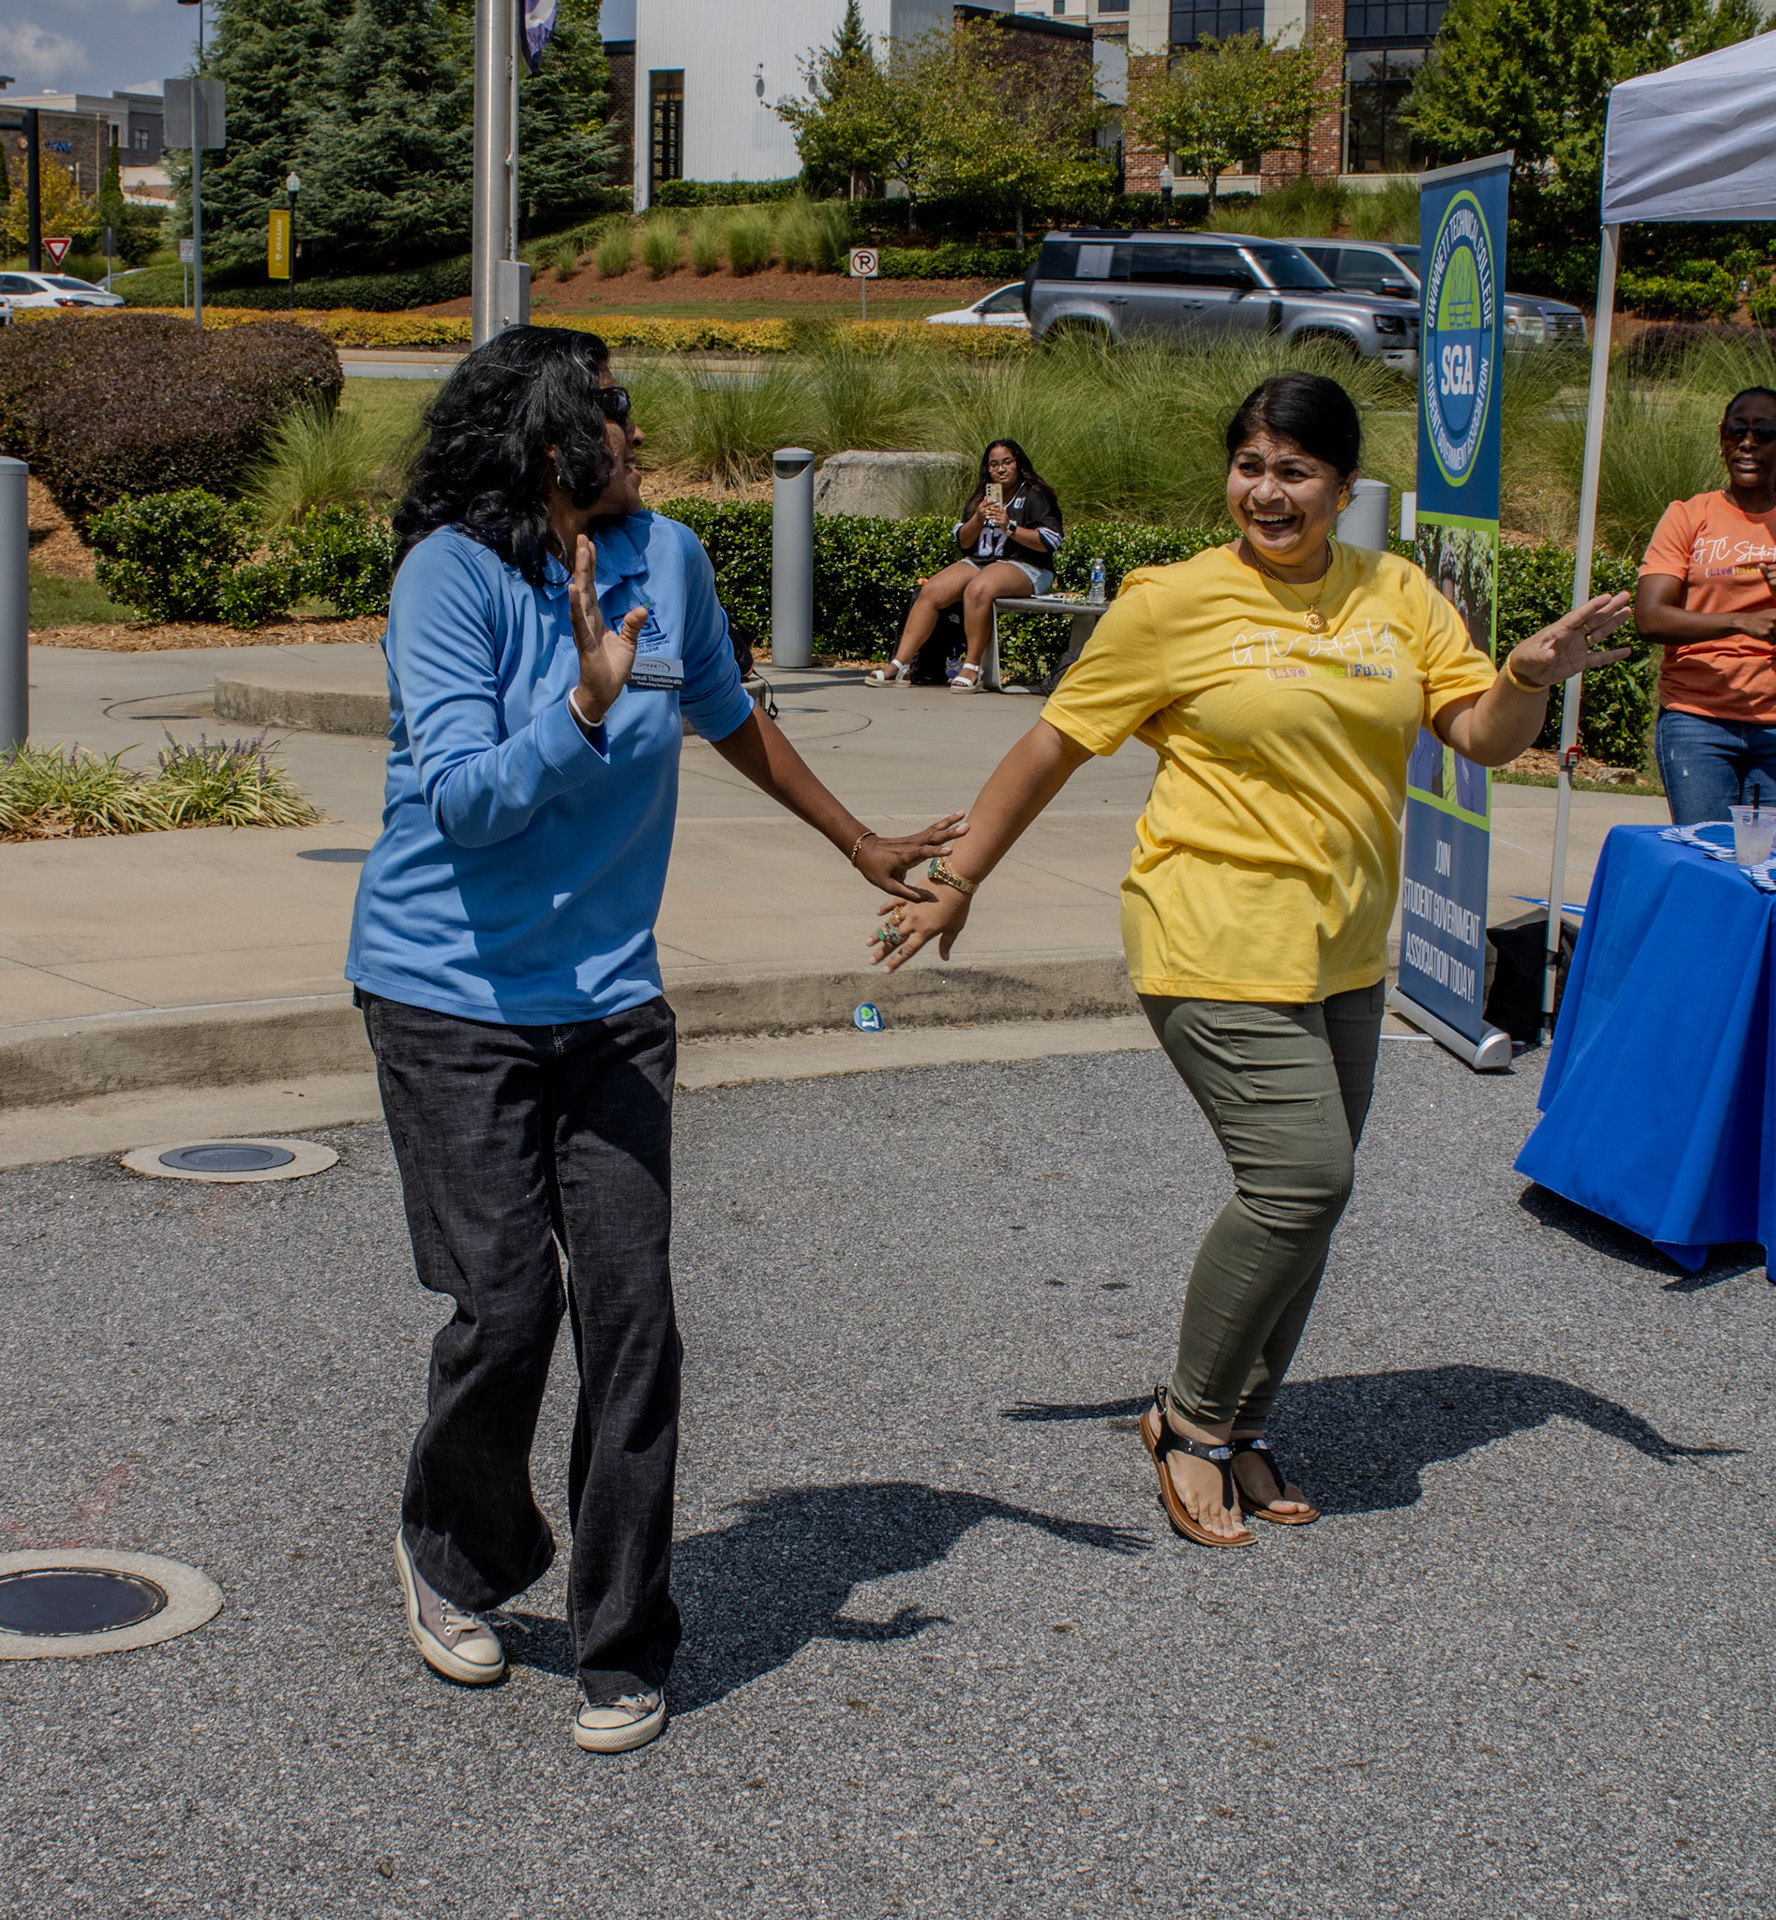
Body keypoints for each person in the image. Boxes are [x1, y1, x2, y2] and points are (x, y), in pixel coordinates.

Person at [868, 372, 1632, 1548]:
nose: (1266, 493)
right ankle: (1186, 1420)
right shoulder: (1175, 602)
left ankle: (1240, 1420)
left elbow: (1475, 734)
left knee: (1308, 1205)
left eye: (1294, 472)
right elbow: (1050, 746)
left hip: (1342, 949)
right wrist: (961, 880)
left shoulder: (1398, 592)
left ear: (1341, 487)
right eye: (1250, 467)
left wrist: (1528, 675)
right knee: (1302, 1181)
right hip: (1207, 933)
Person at [347, 327, 963, 1751]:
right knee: (506, 1308)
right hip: (449, 997)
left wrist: (856, 840)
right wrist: (580, 702)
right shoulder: (449, 576)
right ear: (547, 438)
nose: (640, 429)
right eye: (615, 409)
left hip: (611, 1004)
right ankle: (451, 1549)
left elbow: (730, 714)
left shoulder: (667, 558)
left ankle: (624, 1633)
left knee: (634, 1317)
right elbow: (464, 805)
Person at [1636, 385, 1776, 824]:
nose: (1747, 444)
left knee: (1767, 869)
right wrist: (1740, 622)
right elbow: (1650, 617)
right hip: (1697, 721)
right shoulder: (1688, 515)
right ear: (1722, 439)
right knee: (1709, 859)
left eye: (1765, 432)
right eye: (1737, 430)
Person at [865, 440, 1063, 692]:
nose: (1001, 469)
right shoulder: (984, 495)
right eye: (994, 464)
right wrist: (979, 517)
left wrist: (1010, 527)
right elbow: (963, 541)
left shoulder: (1035, 495)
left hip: (1027, 566)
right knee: (932, 590)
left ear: (1019, 464)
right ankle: (900, 664)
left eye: (1007, 462)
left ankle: (972, 666)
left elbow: (1050, 541)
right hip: (980, 562)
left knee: (978, 588)